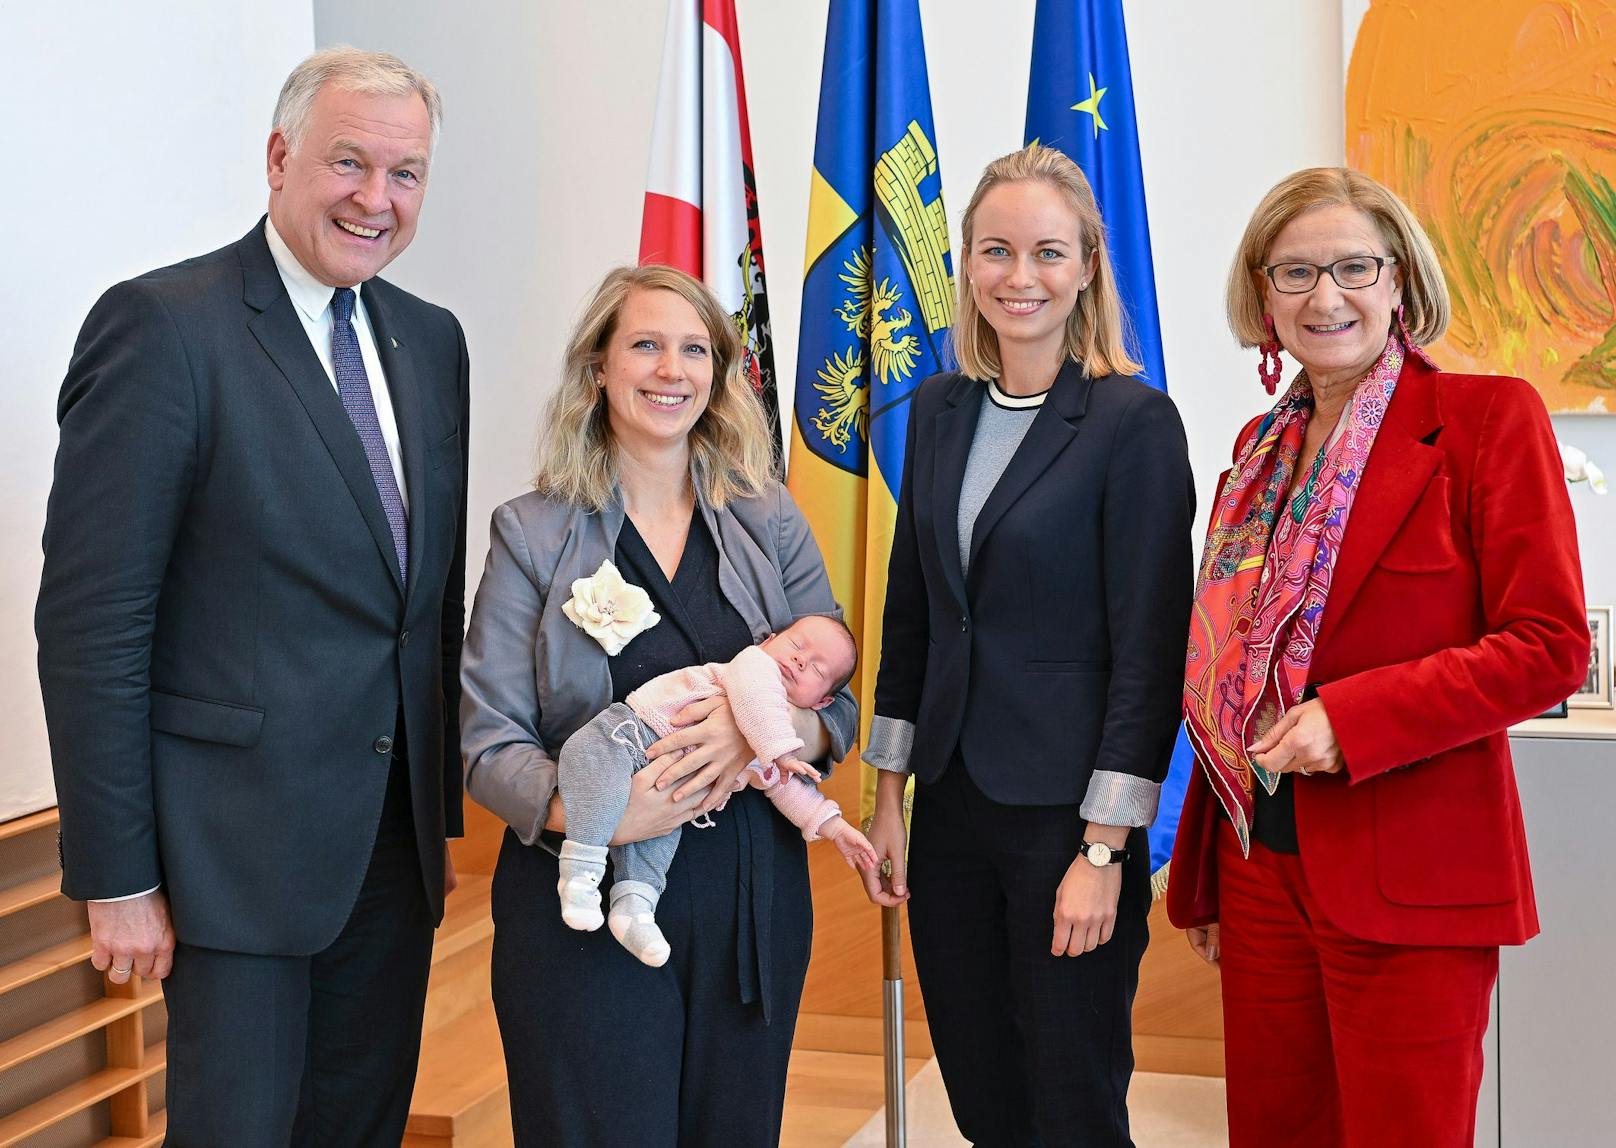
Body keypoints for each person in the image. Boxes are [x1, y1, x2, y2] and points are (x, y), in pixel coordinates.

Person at [33, 47, 468, 1146]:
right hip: (229, 858)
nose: (376, 198)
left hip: (390, 846)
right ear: (279, 159)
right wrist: (118, 871)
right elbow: (92, 625)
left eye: (405, 173)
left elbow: (421, 601)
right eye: (349, 163)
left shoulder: (432, 341)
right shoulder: (164, 329)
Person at [1169, 167, 1588, 1147]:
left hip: (1410, 870)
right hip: (1258, 864)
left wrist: (1349, 720)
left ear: (1398, 279)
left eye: (1352, 266)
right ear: (1262, 296)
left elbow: (1546, 645)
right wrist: (1201, 869)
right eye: (1295, 272)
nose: (1324, 296)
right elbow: (1228, 665)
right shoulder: (1255, 449)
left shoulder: (1486, 419)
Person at [459, 263, 857, 1145]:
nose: (669, 370)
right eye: (643, 345)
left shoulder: (770, 518)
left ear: (718, 373)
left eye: (692, 350)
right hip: (586, 903)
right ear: (598, 367)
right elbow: (488, 743)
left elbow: (839, 705)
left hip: (751, 901)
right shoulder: (530, 532)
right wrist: (604, 814)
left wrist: (764, 727)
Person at [859, 144, 1195, 1147]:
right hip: (948, 807)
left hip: (1066, 821)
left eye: (1046, 251)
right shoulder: (936, 408)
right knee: (981, 1090)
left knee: (1069, 1099)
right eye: (995, 249)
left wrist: (1102, 847)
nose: (1019, 274)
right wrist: (883, 796)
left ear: (1086, 264)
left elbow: (1150, 653)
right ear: (964, 262)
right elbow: (911, 611)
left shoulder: (1131, 423)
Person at [555, 609, 877, 966]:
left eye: (818, 669)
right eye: (797, 644)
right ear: (769, 641)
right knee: (594, 779)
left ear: (821, 703)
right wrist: (782, 751)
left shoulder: (770, 741)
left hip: (674, 794)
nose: (801, 660)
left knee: (655, 847)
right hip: (629, 736)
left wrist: (833, 826)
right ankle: (580, 873)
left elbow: (788, 789)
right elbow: (758, 700)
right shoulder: (752, 666)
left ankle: (634, 910)